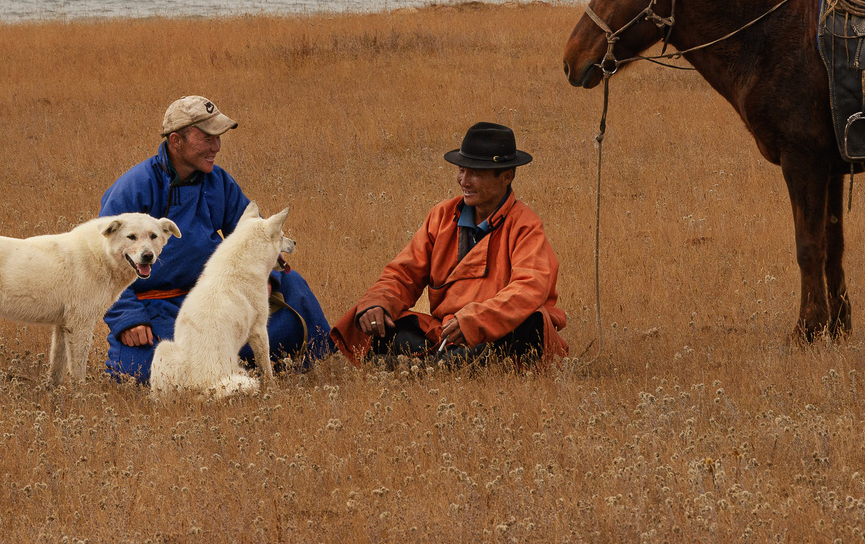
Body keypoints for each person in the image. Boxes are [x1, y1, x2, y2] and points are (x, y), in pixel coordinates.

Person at [99, 95, 335, 382]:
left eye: (219, 137)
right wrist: (129, 319)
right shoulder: (135, 187)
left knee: (292, 288)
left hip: (218, 300)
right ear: (176, 141)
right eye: (207, 137)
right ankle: (227, 368)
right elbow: (102, 266)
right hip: (156, 309)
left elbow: (255, 235)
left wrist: (265, 279)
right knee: (142, 367)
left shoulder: (218, 181)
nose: (216, 146)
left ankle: (249, 362)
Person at [333, 121, 568, 368]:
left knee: (530, 324)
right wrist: (378, 302)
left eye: (475, 173)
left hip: (496, 330)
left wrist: (475, 321)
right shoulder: (442, 215)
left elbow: (528, 289)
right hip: (445, 333)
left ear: (506, 177)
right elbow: (404, 273)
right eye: (461, 170)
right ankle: (447, 363)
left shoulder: (525, 226)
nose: (463, 181)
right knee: (378, 322)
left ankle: (436, 365)